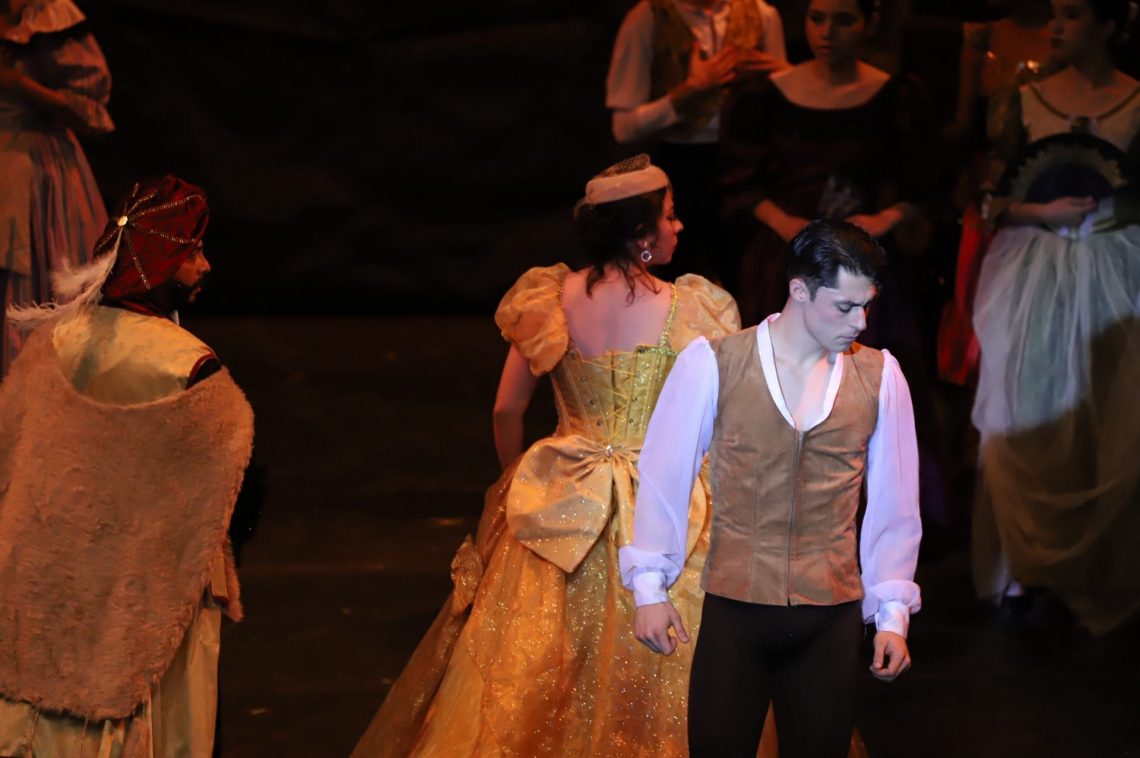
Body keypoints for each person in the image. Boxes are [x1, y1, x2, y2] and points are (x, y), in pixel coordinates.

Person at [352, 155, 740, 757]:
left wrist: (517, 480)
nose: (678, 226)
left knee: (532, 662)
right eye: (669, 216)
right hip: (664, 502)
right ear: (641, 235)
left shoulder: (550, 299)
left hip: (562, 495)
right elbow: (719, 417)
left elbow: (506, 410)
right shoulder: (692, 308)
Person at [623, 219, 922, 757]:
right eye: (844, 307)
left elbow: (895, 504)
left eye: (866, 306)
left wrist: (891, 616)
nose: (859, 322)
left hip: (829, 618)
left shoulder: (880, 376)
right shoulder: (716, 363)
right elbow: (665, 477)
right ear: (799, 290)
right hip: (736, 613)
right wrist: (650, 587)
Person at [0, 175, 253, 756]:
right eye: (192, 253)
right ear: (161, 261)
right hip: (141, 585)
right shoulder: (189, 365)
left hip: (59, 572)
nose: (206, 267)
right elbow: (218, 493)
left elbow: (16, 447)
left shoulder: (62, 337)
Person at [970, 0, 1140, 632]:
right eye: (1055, 14)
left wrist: (1108, 216)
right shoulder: (1025, 99)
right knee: (1027, 403)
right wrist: (1045, 213)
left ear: (1109, 25)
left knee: (1105, 407)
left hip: (1115, 264)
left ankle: (1096, 559)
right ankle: (1024, 561)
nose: (1057, 27)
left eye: (1073, 14)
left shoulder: (1135, 101)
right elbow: (991, 198)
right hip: (1035, 266)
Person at [606, 0, 786, 288]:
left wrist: (787, 77)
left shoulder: (762, 14)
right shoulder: (648, 17)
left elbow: (785, 109)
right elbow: (623, 127)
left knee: (754, 276)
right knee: (676, 278)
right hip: (683, 167)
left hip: (749, 167)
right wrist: (687, 93)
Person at [937, 0, 1059, 386]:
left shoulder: (1064, 36)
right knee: (981, 299)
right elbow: (963, 125)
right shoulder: (982, 37)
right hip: (989, 190)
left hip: (1047, 192)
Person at [0, 0, 113, 379]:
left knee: (39, 279)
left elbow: (90, 107)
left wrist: (17, 84)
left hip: (38, 171)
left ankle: (33, 388)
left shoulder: (47, 15)